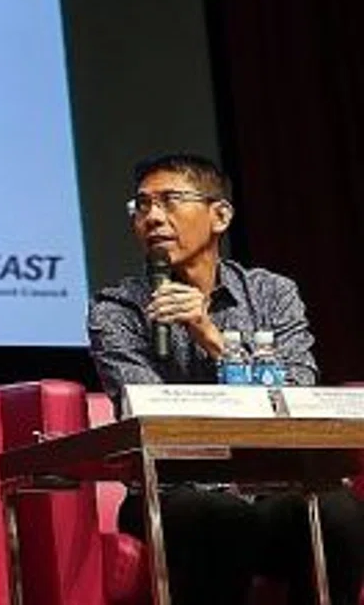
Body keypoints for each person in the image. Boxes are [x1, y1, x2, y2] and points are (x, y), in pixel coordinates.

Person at [88, 152, 364, 605]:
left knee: (339, 514)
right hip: (173, 495)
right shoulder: (116, 309)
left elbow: (293, 397)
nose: (153, 217)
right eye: (141, 205)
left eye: (170, 200)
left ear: (220, 215)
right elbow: (150, 413)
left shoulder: (272, 293)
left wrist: (212, 336)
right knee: (223, 519)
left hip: (270, 490)